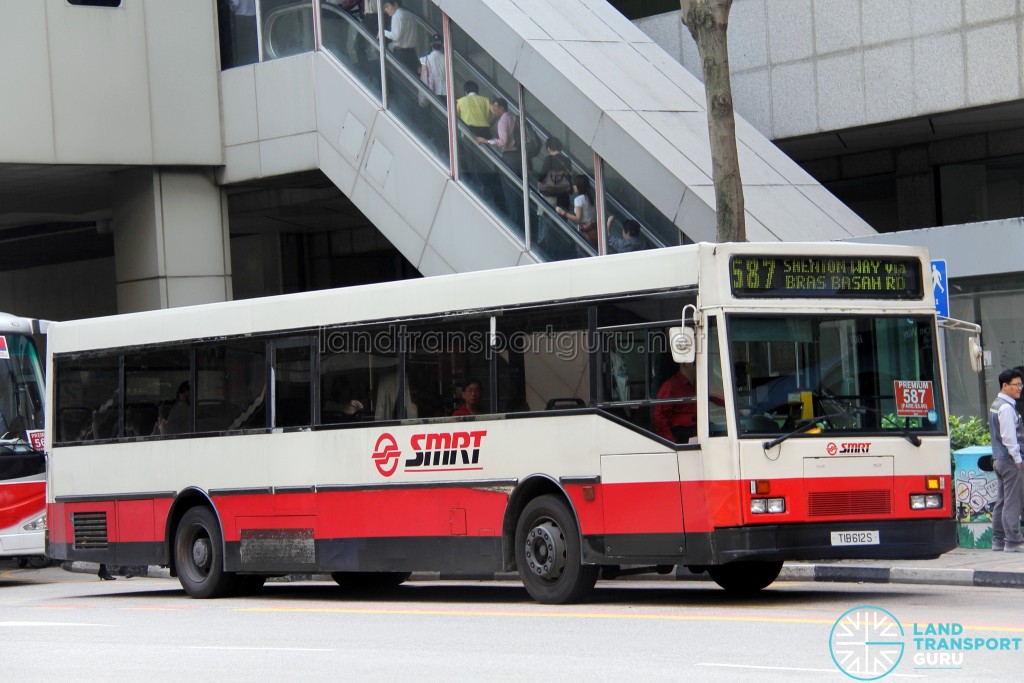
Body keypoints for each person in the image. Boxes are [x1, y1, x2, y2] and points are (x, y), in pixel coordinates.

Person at [987, 368, 1024, 552]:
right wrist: (1017, 459)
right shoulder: (1006, 408)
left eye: (1020, 384)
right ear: (1005, 385)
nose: (1020, 388)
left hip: (999, 459)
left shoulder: (996, 404)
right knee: (1012, 500)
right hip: (1010, 461)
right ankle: (1013, 541)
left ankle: (998, 540)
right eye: (1016, 384)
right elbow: (1009, 437)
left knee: (1001, 500)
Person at [477, 97, 523, 226]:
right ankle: (522, 221)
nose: (493, 112)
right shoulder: (515, 117)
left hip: (509, 158)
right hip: (520, 157)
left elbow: (503, 141)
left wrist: (486, 141)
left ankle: (514, 224)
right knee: (519, 192)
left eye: (495, 109)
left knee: (510, 192)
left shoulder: (503, 121)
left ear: (502, 108)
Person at [653, 363, 697, 442]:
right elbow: (660, 416)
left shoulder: (702, 384)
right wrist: (671, 441)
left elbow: (715, 397)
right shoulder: (669, 387)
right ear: (683, 364)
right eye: (694, 362)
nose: (697, 364)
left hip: (702, 427)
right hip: (682, 434)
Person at [556, 174, 597, 247]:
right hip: (594, 231)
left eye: (574, 184)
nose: (573, 186)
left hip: (585, 232)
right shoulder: (591, 197)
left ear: (578, 186)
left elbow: (578, 219)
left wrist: (562, 212)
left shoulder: (579, 199)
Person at [536, 137, 572, 211]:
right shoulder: (567, 160)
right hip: (564, 196)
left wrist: (539, 190)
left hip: (551, 195)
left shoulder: (549, 159)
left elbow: (541, 177)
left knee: (547, 219)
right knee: (562, 218)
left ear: (549, 148)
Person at [382, 1, 418, 73]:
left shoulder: (396, 15)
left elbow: (396, 36)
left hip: (401, 53)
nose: (386, 10)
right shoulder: (410, 15)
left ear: (395, 5)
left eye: (387, 6)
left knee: (401, 77)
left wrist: (383, 32)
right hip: (412, 53)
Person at [419, 35, 447, 102]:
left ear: (431, 45)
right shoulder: (447, 59)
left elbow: (423, 77)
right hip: (446, 91)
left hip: (432, 91)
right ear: (442, 45)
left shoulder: (425, 59)